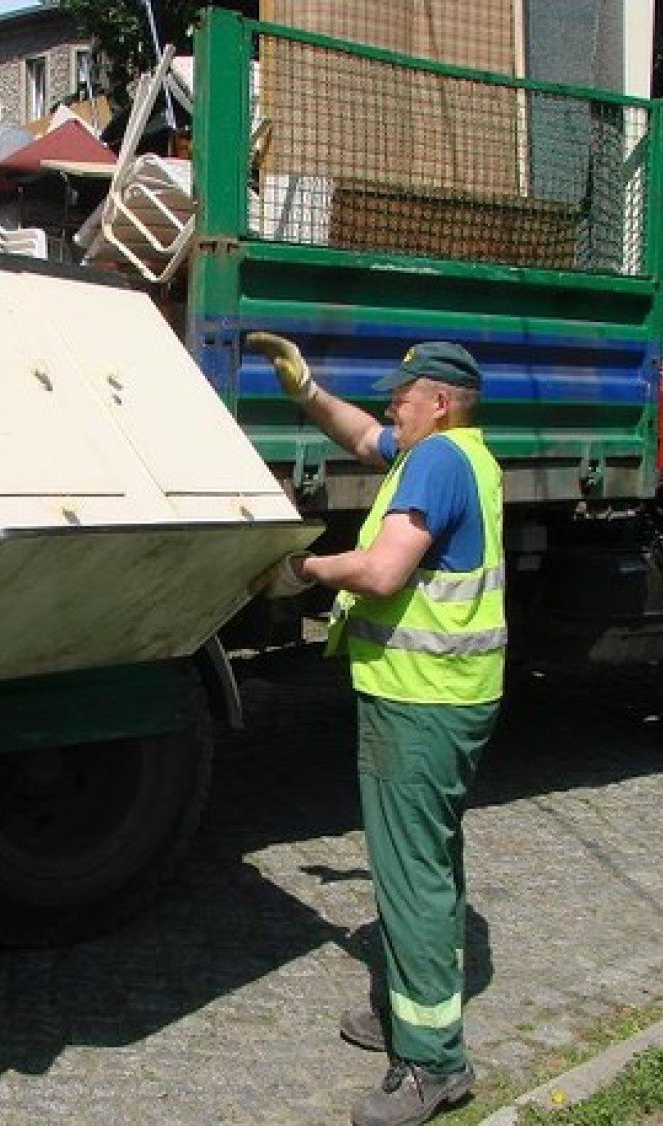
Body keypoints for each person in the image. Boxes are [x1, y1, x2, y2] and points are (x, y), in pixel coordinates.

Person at [249, 333, 505, 1126]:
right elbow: (364, 437)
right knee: (429, 859)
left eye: (404, 393)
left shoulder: (436, 463)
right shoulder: (462, 454)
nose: (392, 403)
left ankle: (434, 1064)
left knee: (412, 873)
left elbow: (386, 570)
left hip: (421, 701)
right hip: (450, 695)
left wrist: (304, 569)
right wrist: (306, 391)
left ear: (440, 399)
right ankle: (412, 1010)